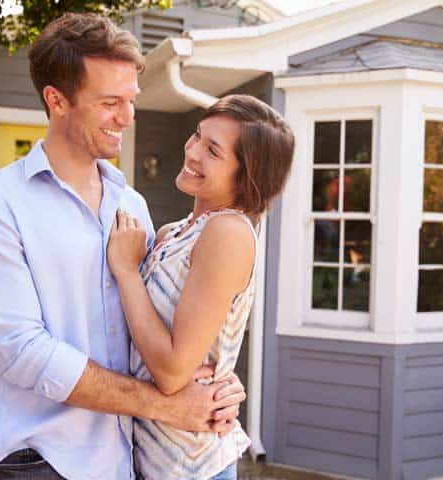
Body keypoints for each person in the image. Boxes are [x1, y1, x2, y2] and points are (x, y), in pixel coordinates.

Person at [0, 13, 245, 480]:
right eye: (110, 102)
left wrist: (214, 379)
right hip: (37, 462)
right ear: (56, 100)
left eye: (130, 100)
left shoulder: (130, 203)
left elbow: (158, 322)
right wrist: (168, 407)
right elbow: (24, 352)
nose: (127, 117)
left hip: (126, 459)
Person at [106, 95, 295, 480]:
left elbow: (173, 373)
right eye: (196, 136)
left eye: (213, 150)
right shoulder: (171, 233)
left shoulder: (228, 232)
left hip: (188, 466)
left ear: (246, 176)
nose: (192, 152)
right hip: (142, 457)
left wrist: (127, 272)